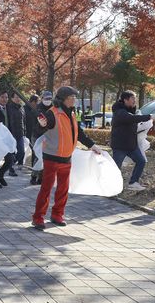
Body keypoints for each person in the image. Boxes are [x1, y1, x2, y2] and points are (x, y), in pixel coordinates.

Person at [32, 86, 102, 230]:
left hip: (66, 157)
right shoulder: (52, 114)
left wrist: (92, 145)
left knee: (63, 189)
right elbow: (39, 130)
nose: (74, 100)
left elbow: (79, 132)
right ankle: (38, 218)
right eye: (72, 97)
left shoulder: (71, 113)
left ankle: (57, 214)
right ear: (64, 99)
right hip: (52, 156)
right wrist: (41, 125)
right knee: (46, 188)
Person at [110, 90, 155, 191]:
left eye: (135, 98)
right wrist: (150, 116)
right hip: (120, 146)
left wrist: (152, 122)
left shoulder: (131, 111)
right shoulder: (119, 112)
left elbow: (137, 124)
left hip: (131, 145)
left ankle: (133, 183)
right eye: (133, 98)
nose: (135, 101)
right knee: (116, 167)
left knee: (141, 161)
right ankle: (112, 187)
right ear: (125, 100)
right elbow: (132, 119)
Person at [29, 91, 52, 185]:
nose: (48, 101)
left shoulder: (53, 109)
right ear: (42, 99)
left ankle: (41, 178)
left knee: (45, 157)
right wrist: (41, 125)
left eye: (50, 99)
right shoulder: (37, 109)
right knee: (39, 156)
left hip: (48, 136)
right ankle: (33, 177)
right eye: (46, 99)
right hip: (37, 136)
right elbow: (34, 125)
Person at [7, 92, 26, 171]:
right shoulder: (9, 108)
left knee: (21, 151)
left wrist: (25, 131)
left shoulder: (21, 108)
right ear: (12, 99)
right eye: (16, 97)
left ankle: (13, 163)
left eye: (19, 97)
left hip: (20, 133)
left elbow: (24, 121)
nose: (18, 99)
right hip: (12, 133)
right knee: (12, 152)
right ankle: (11, 168)